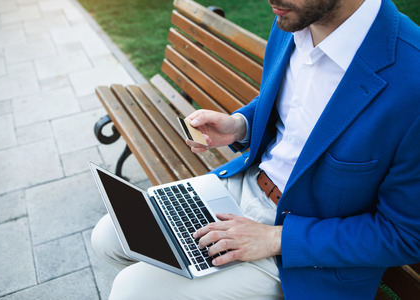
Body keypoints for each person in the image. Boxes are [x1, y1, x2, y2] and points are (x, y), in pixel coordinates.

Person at [91, 0, 420, 298]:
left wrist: (273, 238)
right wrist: (240, 125)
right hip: (245, 186)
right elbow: (302, 102)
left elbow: (405, 235)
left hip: (304, 254)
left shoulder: (412, 80)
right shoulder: (292, 19)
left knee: (133, 290)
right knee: (109, 235)